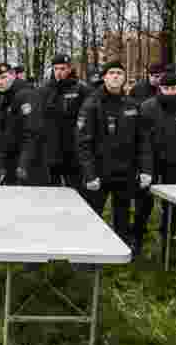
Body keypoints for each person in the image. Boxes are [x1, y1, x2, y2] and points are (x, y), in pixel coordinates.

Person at [77, 60, 154, 252]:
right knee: (93, 214)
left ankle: (120, 250)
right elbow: (83, 142)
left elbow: (143, 140)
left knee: (122, 213)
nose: (115, 76)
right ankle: (89, 252)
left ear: (124, 78)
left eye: (119, 73)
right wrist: (89, 174)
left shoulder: (132, 105)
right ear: (104, 77)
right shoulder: (91, 104)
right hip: (99, 173)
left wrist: (145, 169)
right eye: (111, 73)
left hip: (125, 172)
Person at [133, 70, 176, 258]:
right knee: (143, 200)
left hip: (175, 162)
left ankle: (168, 237)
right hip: (149, 163)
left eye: (173, 88)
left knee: (171, 202)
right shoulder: (146, 107)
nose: (169, 91)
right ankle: (137, 235)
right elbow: (140, 136)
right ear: (159, 88)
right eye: (165, 88)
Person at [43, 53, 91, 189]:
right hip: (52, 150)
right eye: (56, 68)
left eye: (63, 68)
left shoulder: (81, 89)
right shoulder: (45, 89)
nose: (59, 72)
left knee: (76, 191)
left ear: (70, 69)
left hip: (73, 151)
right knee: (52, 192)